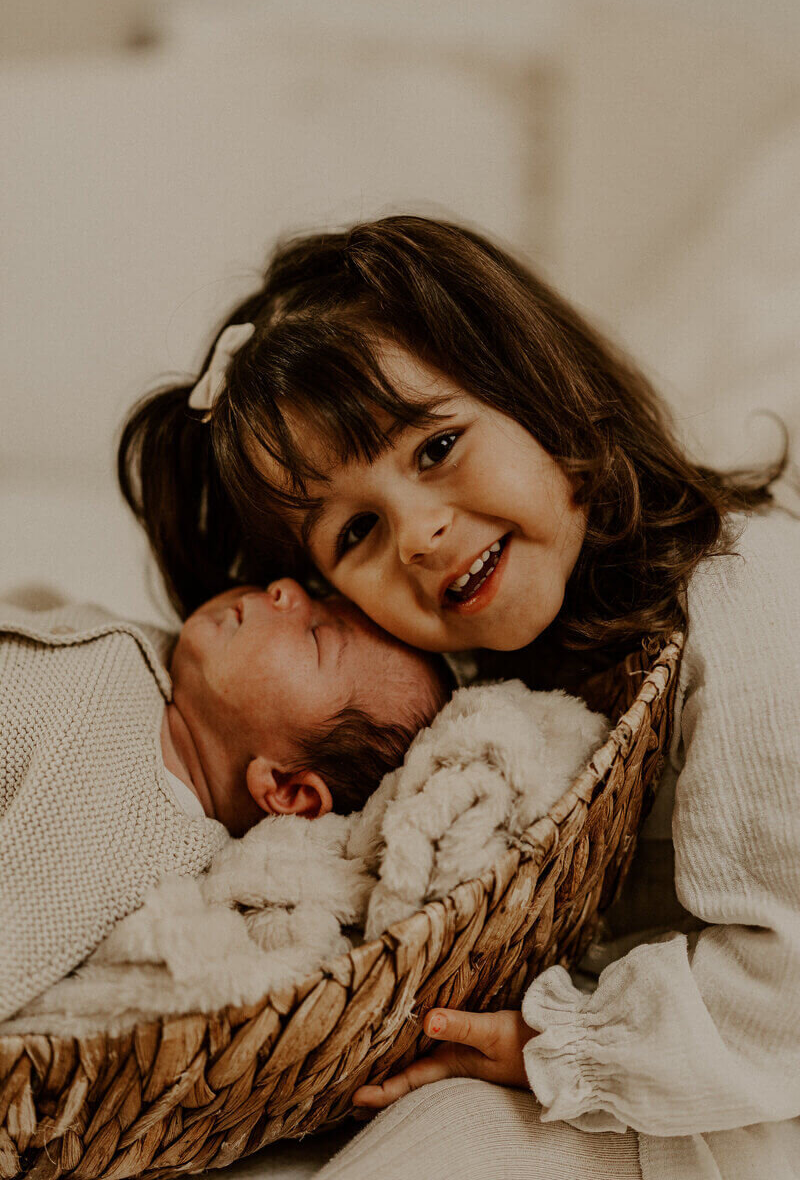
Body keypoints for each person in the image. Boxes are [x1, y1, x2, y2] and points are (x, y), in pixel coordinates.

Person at [118, 215, 799, 1179]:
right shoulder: (481, 693)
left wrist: (558, 1045)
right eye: (355, 533)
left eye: (435, 448)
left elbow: (790, 982)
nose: (421, 536)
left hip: (735, 1100)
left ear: (545, 391)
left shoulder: (750, 599)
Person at [0, 577, 450, 1023]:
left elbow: (19, 934)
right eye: (315, 597)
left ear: (286, 790)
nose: (285, 589)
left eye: (316, 634)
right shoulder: (157, 654)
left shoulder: (126, 830)